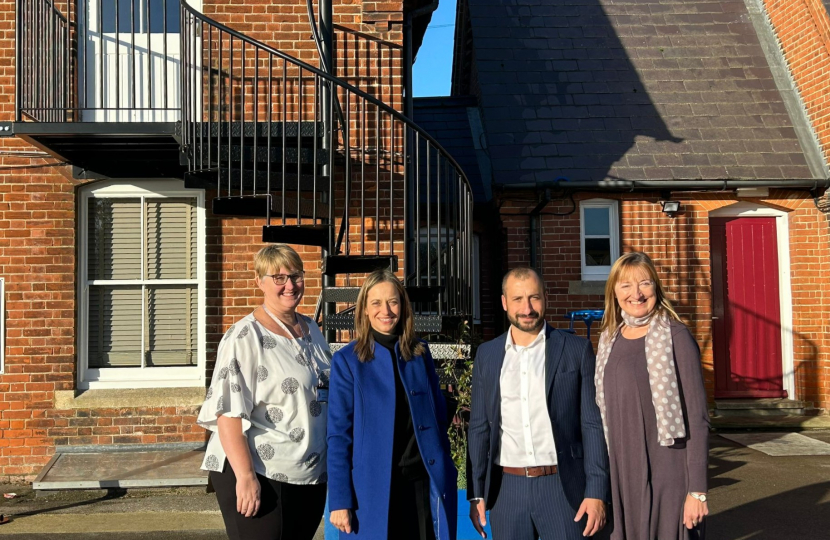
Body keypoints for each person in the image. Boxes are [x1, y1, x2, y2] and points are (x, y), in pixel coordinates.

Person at [197, 244, 331, 540]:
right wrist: (245, 476)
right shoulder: (244, 336)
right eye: (278, 277)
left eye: (295, 276)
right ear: (260, 281)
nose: (290, 285)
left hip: (307, 474)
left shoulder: (311, 329)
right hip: (260, 472)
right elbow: (228, 412)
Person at [467, 267, 609, 540]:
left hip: (562, 487)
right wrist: (476, 494)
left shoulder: (576, 349)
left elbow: (592, 425)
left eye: (534, 298)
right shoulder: (487, 355)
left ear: (546, 297)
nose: (527, 308)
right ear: (504, 302)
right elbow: (478, 429)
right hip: (507, 491)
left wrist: (596, 491)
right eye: (518, 299)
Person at [327, 269, 458, 540]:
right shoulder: (347, 362)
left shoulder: (420, 353)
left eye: (393, 302)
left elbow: (438, 419)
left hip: (422, 485)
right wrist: (340, 499)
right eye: (376, 303)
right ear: (364, 309)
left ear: (403, 306)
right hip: (371, 492)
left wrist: (446, 466)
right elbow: (339, 436)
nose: (385, 310)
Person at [595, 252, 709, 539]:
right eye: (626, 286)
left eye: (644, 284)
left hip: (668, 468)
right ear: (614, 293)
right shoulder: (610, 338)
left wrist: (698, 490)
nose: (636, 293)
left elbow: (697, 418)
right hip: (623, 469)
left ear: (656, 288)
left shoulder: (676, 336)